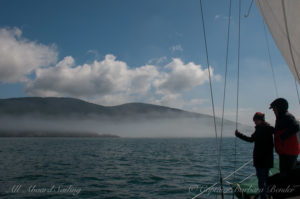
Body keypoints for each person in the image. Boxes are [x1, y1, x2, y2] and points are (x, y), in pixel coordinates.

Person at [235, 112, 274, 199]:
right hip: (268, 159)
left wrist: (238, 135)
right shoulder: (269, 129)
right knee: (266, 178)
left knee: (261, 180)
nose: (254, 122)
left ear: (259, 120)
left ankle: (263, 197)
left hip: (260, 160)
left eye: (255, 120)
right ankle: (268, 195)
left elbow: (251, 139)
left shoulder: (260, 129)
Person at [269, 98, 300, 175]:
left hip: (289, 152)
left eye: (274, 109)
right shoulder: (281, 118)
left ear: (280, 108)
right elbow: (280, 130)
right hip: (284, 152)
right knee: (284, 173)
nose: (273, 111)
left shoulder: (287, 116)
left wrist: (281, 137)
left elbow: (296, 126)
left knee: (287, 175)